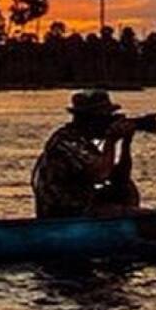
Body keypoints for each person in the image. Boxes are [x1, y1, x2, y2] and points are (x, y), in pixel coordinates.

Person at [31, 89, 141, 219]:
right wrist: (111, 141)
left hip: (81, 203)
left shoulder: (85, 143)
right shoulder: (67, 141)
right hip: (62, 210)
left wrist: (126, 142)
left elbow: (120, 177)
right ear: (90, 119)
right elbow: (100, 174)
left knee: (125, 189)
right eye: (104, 118)